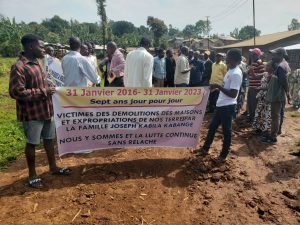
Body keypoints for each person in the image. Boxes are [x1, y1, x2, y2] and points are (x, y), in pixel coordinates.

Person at [9, 34, 71, 189]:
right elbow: (16, 92)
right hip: (32, 114)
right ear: (30, 46)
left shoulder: (37, 64)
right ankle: (32, 175)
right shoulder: (19, 67)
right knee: (32, 143)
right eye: (41, 46)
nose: (44, 49)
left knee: (49, 140)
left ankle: (53, 167)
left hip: (46, 110)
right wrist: (43, 91)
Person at [197, 49, 243, 163]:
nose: (225, 58)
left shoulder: (236, 73)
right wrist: (217, 88)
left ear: (233, 59)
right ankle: (205, 148)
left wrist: (219, 86)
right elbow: (227, 87)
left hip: (228, 106)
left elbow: (233, 94)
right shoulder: (230, 70)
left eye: (227, 56)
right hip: (221, 104)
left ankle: (223, 155)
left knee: (226, 131)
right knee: (212, 127)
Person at [262, 48, 292, 144]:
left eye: (274, 55)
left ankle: (273, 137)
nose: (272, 56)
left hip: (277, 95)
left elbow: (284, 82)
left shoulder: (281, 67)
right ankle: (276, 131)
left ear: (280, 55)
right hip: (278, 94)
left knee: (275, 116)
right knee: (278, 114)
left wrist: (288, 94)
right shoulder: (283, 65)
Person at [252, 62, 273, 136]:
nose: (265, 66)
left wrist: (260, 88)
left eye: (268, 65)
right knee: (259, 111)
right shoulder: (265, 73)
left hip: (267, 97)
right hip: (261, 96)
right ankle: (258, 128)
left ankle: (265, 130)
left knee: (266, 113)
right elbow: (255, 76)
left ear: (272, 67)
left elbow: (269, 87)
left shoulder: (273, 76)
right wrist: (251, 70)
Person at [247, 48, 265, 122]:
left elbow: (262, 75)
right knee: (250, 103)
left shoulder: (259, 63)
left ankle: (254, 119)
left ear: (256, 55)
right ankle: (251, 117)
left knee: (254, 104)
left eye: (253, 54)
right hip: (251, 86)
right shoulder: (253, 63)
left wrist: (253, 74)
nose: (251, 56)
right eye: (251, 54)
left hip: (256, 87)